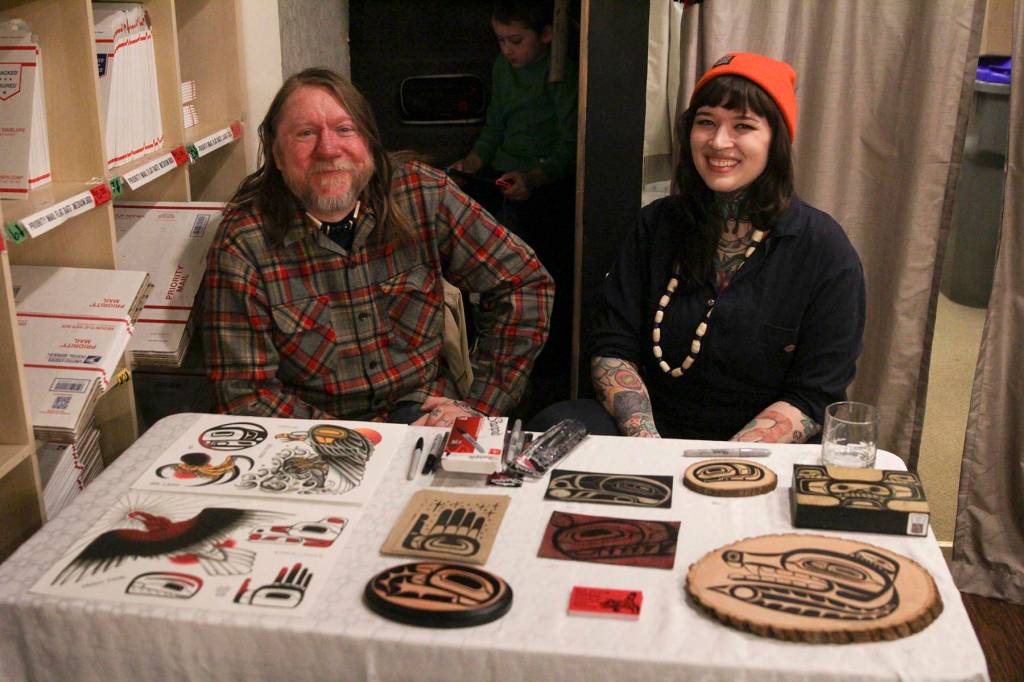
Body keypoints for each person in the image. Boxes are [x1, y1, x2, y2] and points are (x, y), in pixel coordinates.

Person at [532, 52, 865, 443]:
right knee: (552, 423)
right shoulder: (656, 224)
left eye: (743, 125)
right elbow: (612, 345)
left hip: (758, 452)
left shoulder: (824, 249)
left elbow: (814, 393)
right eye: (706, 122)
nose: (719, 142)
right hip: (651, 432)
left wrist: (721, 466)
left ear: (775, 139)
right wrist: (648, 446)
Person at [203, 68, 554, 428]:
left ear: (368, 143)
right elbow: (245, 395)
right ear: (277, 155)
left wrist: (478, 408)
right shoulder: (244, 241)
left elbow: (523, 282)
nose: (328, 149)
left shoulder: (422, 192)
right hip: (311, 434)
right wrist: (360, 441)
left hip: (426, 414)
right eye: (305, 133)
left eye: (344, 129)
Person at [451, 0, 578, 401]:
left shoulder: (562, 75)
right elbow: (495, 123)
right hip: (503, 174)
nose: (507, 49)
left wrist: (534, 178)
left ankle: (542, 367)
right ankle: (480, 354)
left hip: (544, 180)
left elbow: (569, 145)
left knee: (533, 267)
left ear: (547, 35)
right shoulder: (503, 68)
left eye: (515, 40)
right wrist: (470, 163)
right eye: (500, 40)